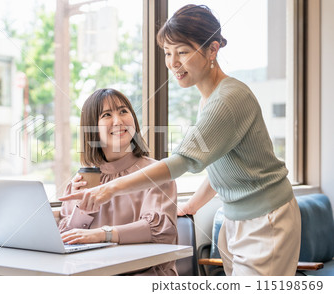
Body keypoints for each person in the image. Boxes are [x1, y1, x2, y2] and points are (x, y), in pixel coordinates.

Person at [60, 5, 301, 276]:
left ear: (212, 50)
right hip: (237, 220)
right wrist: (192, 206)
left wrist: (109, 190)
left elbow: (182, 161)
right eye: (167, 53)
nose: (173, 62)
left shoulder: (228, 99)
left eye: (183, 52)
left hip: (264, 219)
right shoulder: (208, 99)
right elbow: (223, 163)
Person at [58, 88, 178, 276]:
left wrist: (103, 234)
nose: (118, 121)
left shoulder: (156, 173)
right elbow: (68, 238)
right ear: (92, 128)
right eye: (106, 115)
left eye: (123, 111)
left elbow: (158, 230)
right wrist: (83, 210)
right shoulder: (82, 180)